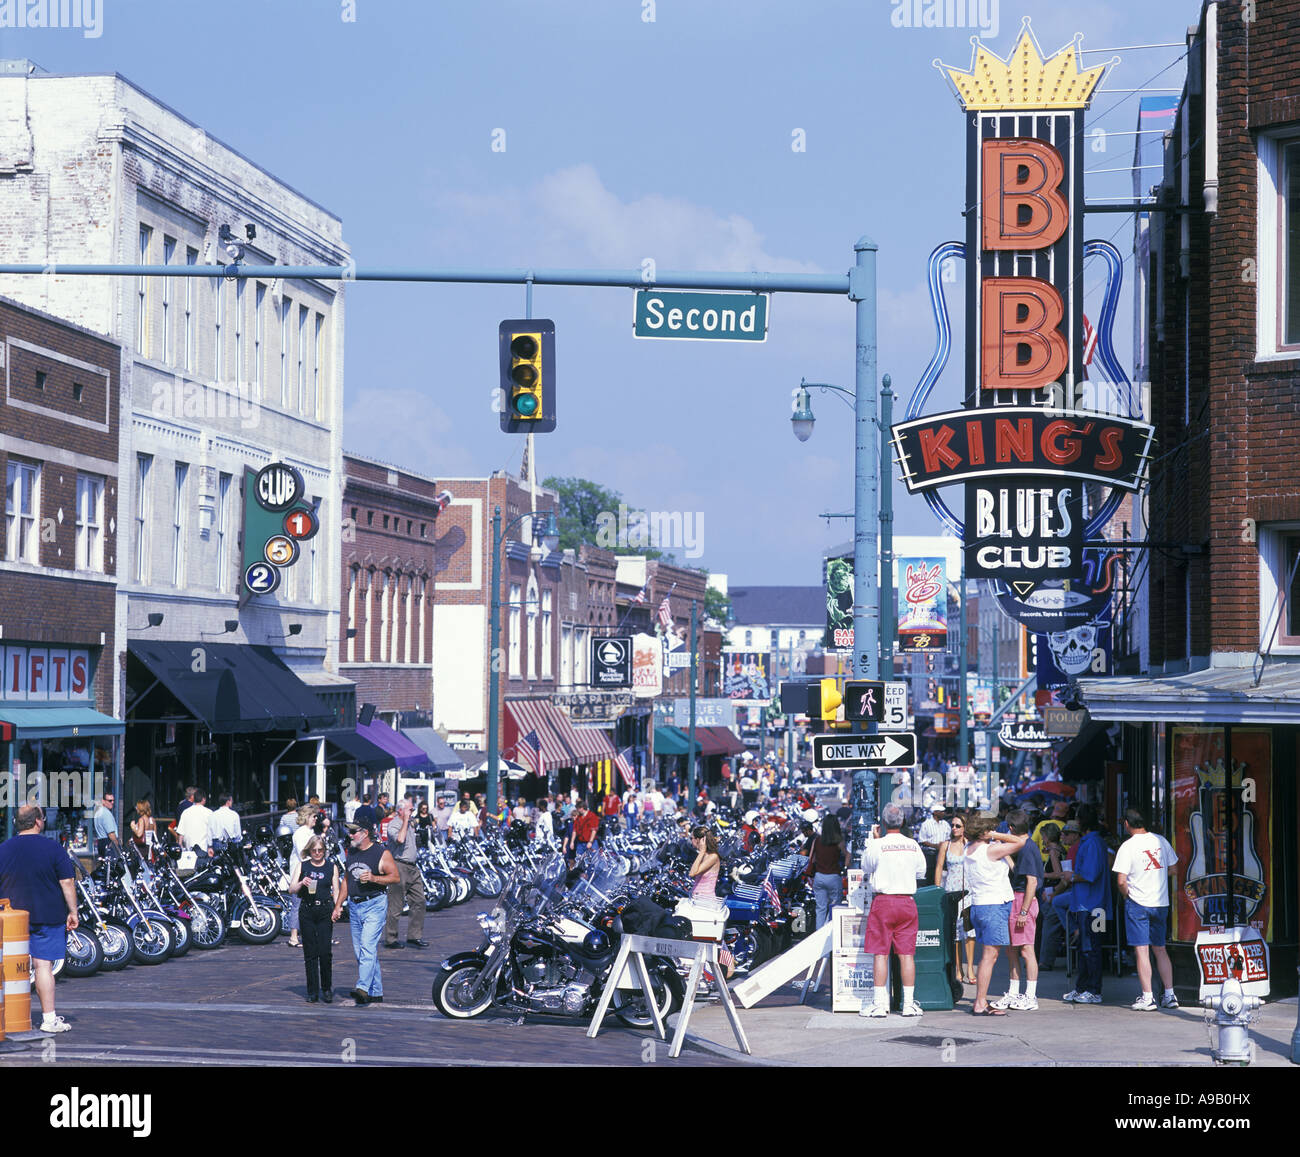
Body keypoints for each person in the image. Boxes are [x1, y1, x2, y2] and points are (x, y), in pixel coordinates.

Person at [0, 805, 79, 1032]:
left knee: (6, 967)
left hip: (10, 917)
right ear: (38, 821)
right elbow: (67, 882)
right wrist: (73, 911)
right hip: (47, 914)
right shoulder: (53, 848)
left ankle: (6, 1018)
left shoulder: (3, 849)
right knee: (42, 965)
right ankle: (48, 1019)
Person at [858, 803, 928, 1019]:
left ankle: (879, 1005)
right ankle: (908, 1004)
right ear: (903, 821)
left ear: (884, 822)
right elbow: (921, 872)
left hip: (884, 902)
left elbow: (865, 867)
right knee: (906, 955)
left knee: (880, 953)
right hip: (907, 901)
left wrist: (875, 840)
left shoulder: (877, 846)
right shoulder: (913, 845)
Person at [1113, 808, 1180, 1011]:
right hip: (1160, 902)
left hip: (1138, 902)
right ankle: (1170, 994)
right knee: (1160, 949)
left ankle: (1148, 997)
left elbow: (1121, 880)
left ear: (1126, 824)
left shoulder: (1127, 846)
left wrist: (1127, 895)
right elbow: (1174, 869)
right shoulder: (1160, 840)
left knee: (1141, 950)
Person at [964, 814, 1027, 1016]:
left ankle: (980, 1000)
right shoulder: (990, 850)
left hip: (979, 904)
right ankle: (980, 1002)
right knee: (990, 956)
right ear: (984, 832)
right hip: (994, 906)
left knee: (988, 954)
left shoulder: (968, 850)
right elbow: (1021, 840)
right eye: (990, 829)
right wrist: (996, 835)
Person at [338, 806, 400, 1006]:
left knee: (367, 947)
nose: (350, 834)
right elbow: (346, 881)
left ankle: (363, 988)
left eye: (354, 831)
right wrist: (338, 905)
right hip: (355, 906)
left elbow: (395, 877)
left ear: (365, 833)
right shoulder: (352, 852)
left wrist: (374, 877)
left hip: (374, 903)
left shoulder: (381, 853)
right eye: (349, 830)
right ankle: (376, 991)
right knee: (363, 951)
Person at [991, 809, 1044, 1011]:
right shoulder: (1024, 847)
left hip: (1023, 900)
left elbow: (1032, 881)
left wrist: (1023, 911)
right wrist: (1006, 856)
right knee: (1012, 949)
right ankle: (1014, 993)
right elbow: (1019, 873)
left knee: (1026, 950)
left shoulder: (1028, 848)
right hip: (1018, 898)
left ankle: (1030, 996)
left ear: (1011, 828)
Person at [1061, 805, 1112, 1005]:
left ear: (1081, 822)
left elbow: (1090, 875)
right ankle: (1082, 987)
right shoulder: (1093, 842)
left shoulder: (1091, 844)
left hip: (1093, 906)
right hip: (1088, 904)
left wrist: (1071, 876)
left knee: (1091, 947)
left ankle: (1093, 989)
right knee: (1085, 946)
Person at [288, 834, 342, 1002]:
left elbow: (336, 890)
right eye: (314, 850)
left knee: (325, 952)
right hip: (308, 910)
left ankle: (326, 988)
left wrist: (337, 907)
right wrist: (301, 883)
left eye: (320, 850)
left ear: (324, 851)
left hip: (324, 909)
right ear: (309, 851)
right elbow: (291, 889)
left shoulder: (331, 867)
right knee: (310, 952)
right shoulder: (302, 865)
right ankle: (312, 991)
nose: (317, 853)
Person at [935, 811, 977, 986]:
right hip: (951, 890)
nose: (954, 828)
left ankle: (970, 969)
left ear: (965, 827)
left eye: (957, 825)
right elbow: (938, 867)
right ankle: (958, 968)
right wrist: (937, 889)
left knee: (969, 930)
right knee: (955, 933)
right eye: (952, 825)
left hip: (968, 891)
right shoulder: (946, 845)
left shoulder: (970, 845)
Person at [382, 797, 427, 950]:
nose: (412, 812)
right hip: (399, 866)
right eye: (410, 809)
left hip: (413, 867)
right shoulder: (394, 824)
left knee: (419, 900)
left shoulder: (410, 825)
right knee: (396, 904)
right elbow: (400, 840)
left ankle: (414, 936)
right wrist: (406, 820)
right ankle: (391, 938)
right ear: (400, 810)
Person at [285, 804, 320, 949]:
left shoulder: (311, 833)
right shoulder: (300, 833)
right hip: (300, 874)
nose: (316, 819)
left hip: (312, 872)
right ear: (306, 817)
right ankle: (293, 937)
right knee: (298, 904)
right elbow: (303, 854)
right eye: (314, 816)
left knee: (312, 901)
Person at [806, 814, 847, 929]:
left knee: (820, 909)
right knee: (835, 907)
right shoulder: (839, 841)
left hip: (819, 877)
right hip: (834, 876)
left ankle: (819, 933)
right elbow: (847, 856)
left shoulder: (817, 840)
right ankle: (829, 932)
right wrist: (845, 866)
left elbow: (811, 859)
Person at [176, 789, 214, 863]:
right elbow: (212, 832)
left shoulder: (186, 812)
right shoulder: (209, 813)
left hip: (189, 851)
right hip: (203, 851)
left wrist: (180, 846)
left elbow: (180, 833)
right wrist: (210, 846)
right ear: (203, 799)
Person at [92, 791, 119, 858]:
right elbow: (111, 834)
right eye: (110, 801)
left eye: (113, 800)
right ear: (103, 801)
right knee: (113, 866)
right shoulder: (106, 813)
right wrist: (118, 848)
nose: (112, 802)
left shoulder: (98, 812)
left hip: (101, 843)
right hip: (108, 843)